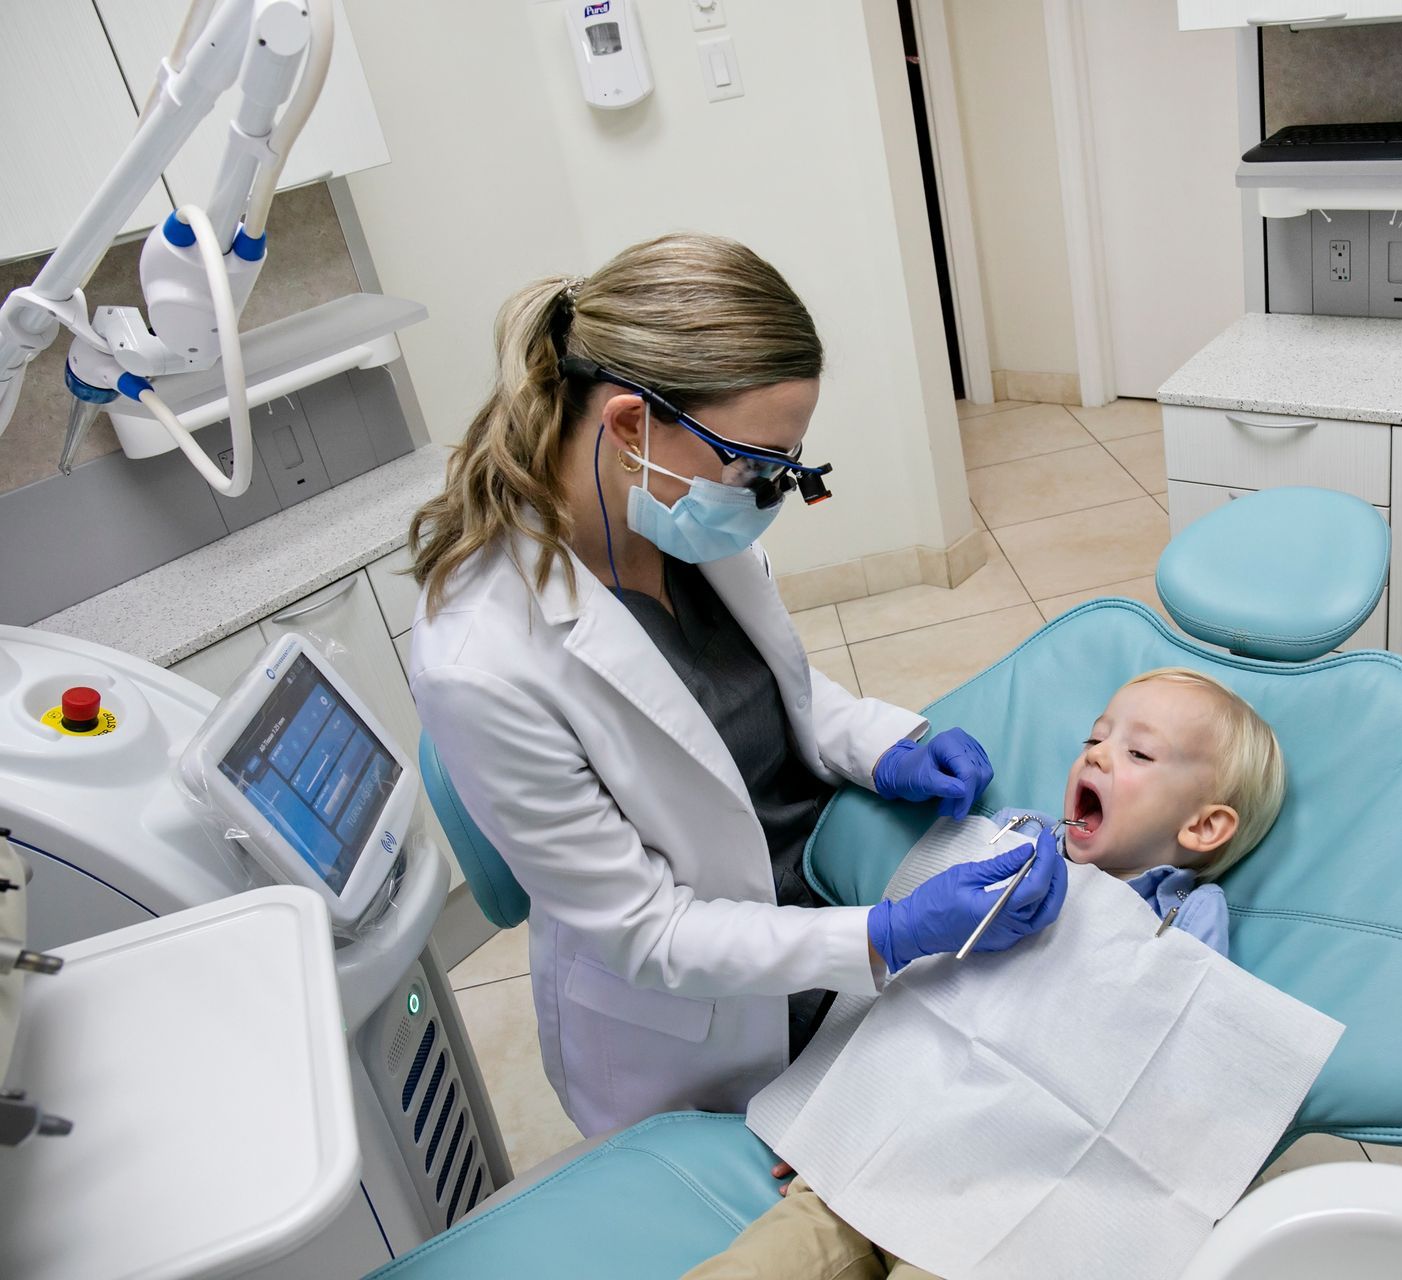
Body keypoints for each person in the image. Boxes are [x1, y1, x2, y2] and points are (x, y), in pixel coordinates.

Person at [405, 233, 1068, 1135]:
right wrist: (887, 937)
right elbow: (650, 934)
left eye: (785, 469)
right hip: (702, 1027)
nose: (765, 494)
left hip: (825, 916)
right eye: (755, 464)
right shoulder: (483, 661)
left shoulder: (678, 520)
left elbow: (770, 690)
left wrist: (886, 746)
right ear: (631, 426)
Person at [689, 667, 1287, 1280]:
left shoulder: (1184, 915)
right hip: (887, 1146)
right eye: (1095, 740)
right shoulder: (1012, 845)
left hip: (1009, 1198)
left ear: (1203, 827)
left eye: (1137, 752)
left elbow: (1182, 1071)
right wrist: (832, 1120)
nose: (1099, 756)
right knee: (765, 1260)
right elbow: (911, 995)